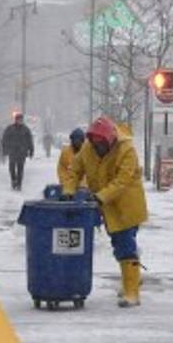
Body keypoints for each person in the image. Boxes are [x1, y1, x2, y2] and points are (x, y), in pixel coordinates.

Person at [60, 116, 148, 307]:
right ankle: (131, 279)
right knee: (120, 244)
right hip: (106, 205)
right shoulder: (87, 149)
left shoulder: (127, 150)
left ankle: (132, 292)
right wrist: (68, 191)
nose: (97, 149)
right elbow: (74, 171)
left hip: (126, 205)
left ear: (110, 140)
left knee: (125, 245)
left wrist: (100, 196)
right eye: (94, 144)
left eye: (101, 145)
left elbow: (122, 182)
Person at [1, 112, 35, 190]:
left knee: (20, 169)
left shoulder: (26, 129)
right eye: (18, 119)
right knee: (12, 168)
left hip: (22, 152)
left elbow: (30, 140)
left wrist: (31, 150)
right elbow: (5, 139)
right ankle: (13, 180)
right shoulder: (10, 128)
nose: (20, 121)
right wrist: (5, 149)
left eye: (21, 119)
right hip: (12, 151)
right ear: (15, 120)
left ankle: (19, 184)